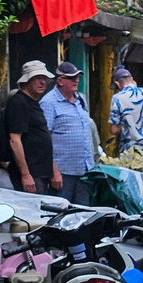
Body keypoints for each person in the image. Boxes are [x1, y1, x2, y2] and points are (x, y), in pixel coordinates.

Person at [40, 61, 95, 204]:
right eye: (71, 78)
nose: (76, 80)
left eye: (77, 77)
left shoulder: (80, 99)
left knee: (84, 214)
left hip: (85, 169)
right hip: (63, 172)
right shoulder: (49, 102)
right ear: (60, 81)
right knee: (62, 213)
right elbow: (44, 140)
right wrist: (53, 172)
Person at [5, 60, 61, 195]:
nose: (42, 82)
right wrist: (25, 174)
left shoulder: (33, 103)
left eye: (44, 79)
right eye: (37, 79)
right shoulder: (19, 103)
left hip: (41, 173)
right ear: (27, 81)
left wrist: (53, 169)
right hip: (31, 174)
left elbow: (42, 139)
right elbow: (14, 140)